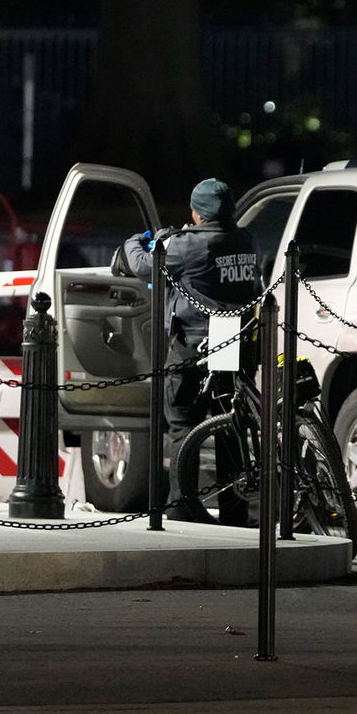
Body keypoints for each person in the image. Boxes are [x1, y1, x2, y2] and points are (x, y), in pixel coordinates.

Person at [121, 178, 261, 523]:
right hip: (237, 344)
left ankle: (182, 507)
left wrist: (135, 240)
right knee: (230, 424)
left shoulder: (188, 245)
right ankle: (234, 510)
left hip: (193, 347)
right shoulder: (244, 239)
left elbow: (142, 264)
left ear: (196, 214)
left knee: (183, 425)